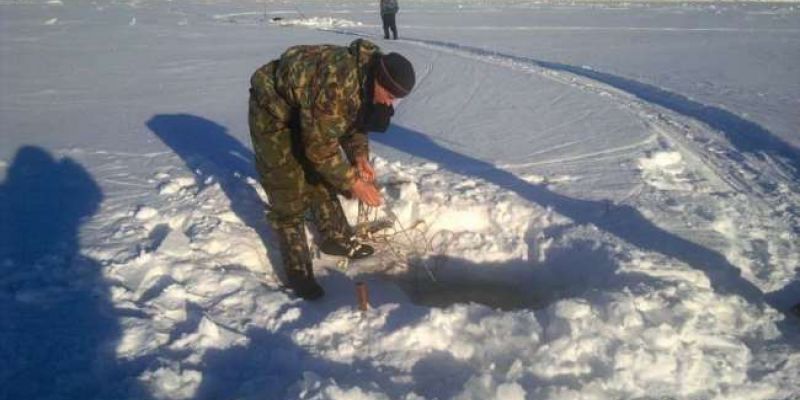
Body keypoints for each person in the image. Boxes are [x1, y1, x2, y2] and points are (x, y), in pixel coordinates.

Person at [248, 39, 415, 300]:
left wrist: (359, 157)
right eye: (391, 96)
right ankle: (298, 272)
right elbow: (320, 150)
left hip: (311, 107)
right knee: (287, 188)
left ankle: (336, 237)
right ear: (380, 82)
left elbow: (353, 123)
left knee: (320, 177)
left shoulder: (368, 77)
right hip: (275, 109)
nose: (391, 104)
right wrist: (355, 184)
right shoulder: (337, 87)